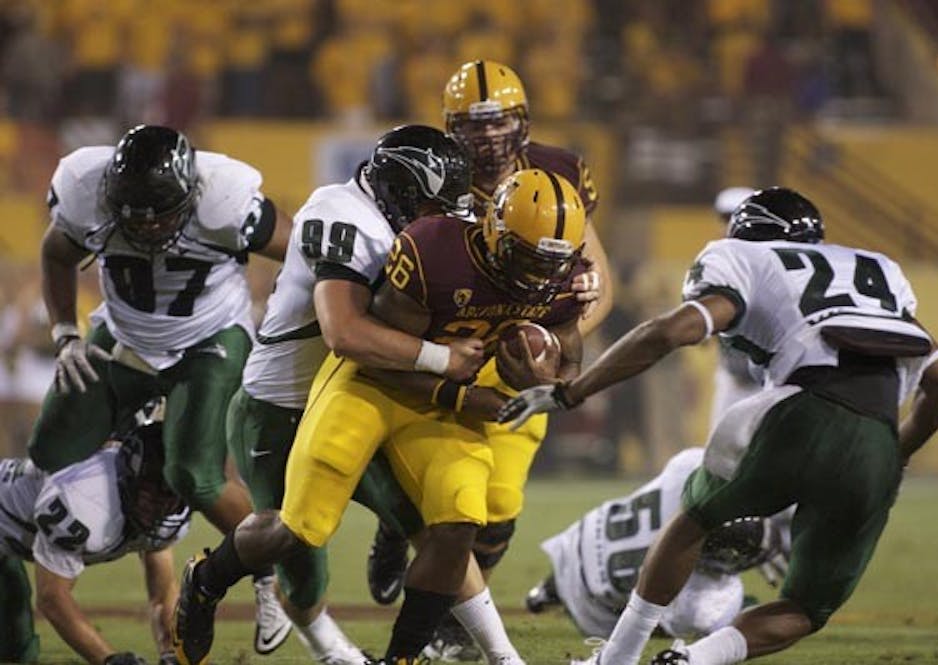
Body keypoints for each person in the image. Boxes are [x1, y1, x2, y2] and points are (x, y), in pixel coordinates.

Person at [498, 187, 938, 665]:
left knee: (693, 521)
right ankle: (692, 661)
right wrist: (896, 453)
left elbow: (670, 332)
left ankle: (615, 660)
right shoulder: (879, 272)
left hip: (800, 411)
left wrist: (570, 393)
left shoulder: (744, 257)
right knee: (806, 607)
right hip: (876, 441)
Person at [176, 168, 588, 665]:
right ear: (496, 231)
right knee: (301, 528)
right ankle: (207, 579)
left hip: (436, 401)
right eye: (528, 259)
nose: (538, 277)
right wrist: (461, 394)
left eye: (551, 264)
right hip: (371, 385)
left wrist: (545, 383)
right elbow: (379, 357)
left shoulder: (564, 273)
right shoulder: (433, 249)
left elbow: (568, 353)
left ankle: (403, 658)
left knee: (458, 525)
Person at [367, 57, 613, 661]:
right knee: (444, 498)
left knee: (499, 508)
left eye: (499, 122)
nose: (488, 137)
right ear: (451, 129)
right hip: (448, 344)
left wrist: (556, 335)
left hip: (514, 357)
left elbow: (597, 281)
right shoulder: (432, 176)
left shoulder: (561, 173)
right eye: (473, 126)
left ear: (523, 120)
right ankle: (406, 544)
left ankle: (449, 609)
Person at [223, 124, 484, 664]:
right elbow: (344, 333)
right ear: (401, 191)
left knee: (439, 525)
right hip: (282, 408)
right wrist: (442, 360)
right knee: (301, 560)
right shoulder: (342, 214)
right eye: (430, 208)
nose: (438, 224)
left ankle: (500, 652)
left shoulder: (416, 228)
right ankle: (219, 589)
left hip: (358, 396)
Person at [34, 123, 294, 653]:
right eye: (136, 212)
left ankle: (271, 579)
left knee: (193, 476)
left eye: (162, 212)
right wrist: (65, 333)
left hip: (208, 337)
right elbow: (57, 252)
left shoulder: (225, 200)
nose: (149, 226)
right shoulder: (86, 190)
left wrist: (279, 322)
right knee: (49, 450)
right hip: (124, 331)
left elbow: (303, 254)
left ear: (191, 193)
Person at [525, 447, 790, 640]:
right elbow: (674, 626)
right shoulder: (700, 594)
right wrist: (741, 601)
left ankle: (546, 591)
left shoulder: (689, 468)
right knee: (661, 615)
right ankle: (553, 594)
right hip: (594, 611)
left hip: (582, 536)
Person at [0, 399, 191, 665]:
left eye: (168, 493)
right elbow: (52, 597)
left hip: (16, 536)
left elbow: (162, 594)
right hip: (7, 523)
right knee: (14, 639)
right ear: (128, 477)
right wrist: (109, 659)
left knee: (17, 649)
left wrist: (171, 652)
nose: (158, 505)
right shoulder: (83, 498)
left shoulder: (171, 512)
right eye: (149, 491)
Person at [709, 187, 759, 428]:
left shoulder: (770, 262)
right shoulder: (719, 260)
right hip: (732, 377)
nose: (728, 226)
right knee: (718, 458)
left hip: (772, 381)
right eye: (725, 219)